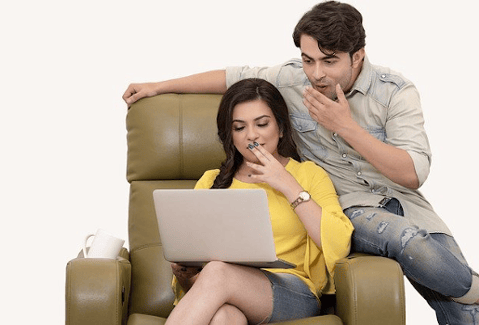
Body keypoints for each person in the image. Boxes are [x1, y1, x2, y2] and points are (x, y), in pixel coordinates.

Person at [123, 2, 479, 325]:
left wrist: (344, 128)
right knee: (224, 316)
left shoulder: (393, 94)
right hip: (351, 205)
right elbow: (234, 76)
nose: (316, 73)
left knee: (461, 305)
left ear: (357, 57)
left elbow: (412, 174)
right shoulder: (220, 172)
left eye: (329, 61)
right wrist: (158, 86)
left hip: (399, 203)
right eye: (309, 60)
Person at [166, 78, 353, 325]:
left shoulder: (309, 175)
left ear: (281, 127)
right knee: (224, 318)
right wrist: (184, 273)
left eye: (262, 124)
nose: (251, 135)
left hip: (293, 292)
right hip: (226, 292)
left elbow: (340, 245)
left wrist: (287, 184)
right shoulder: (210, 181)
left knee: (218, 271)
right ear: (230, 135)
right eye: (239, 127)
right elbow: (196, 282)